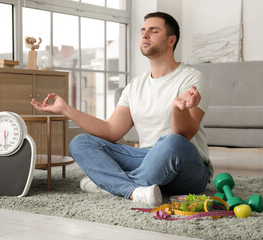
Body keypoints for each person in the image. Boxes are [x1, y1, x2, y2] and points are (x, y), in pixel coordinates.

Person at [31, 12, 213, 206]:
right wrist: (66, 109)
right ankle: (135, 190)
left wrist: (178, 108)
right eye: (143, 31)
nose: (144, 35)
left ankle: (112, 184)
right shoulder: (135, 86)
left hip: (187, 167)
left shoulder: (192, 78)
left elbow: (184, 134)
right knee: (80, 143)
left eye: (154, 31)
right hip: (146, 160)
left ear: (171, 40)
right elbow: (111, 131)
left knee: (171, 142)